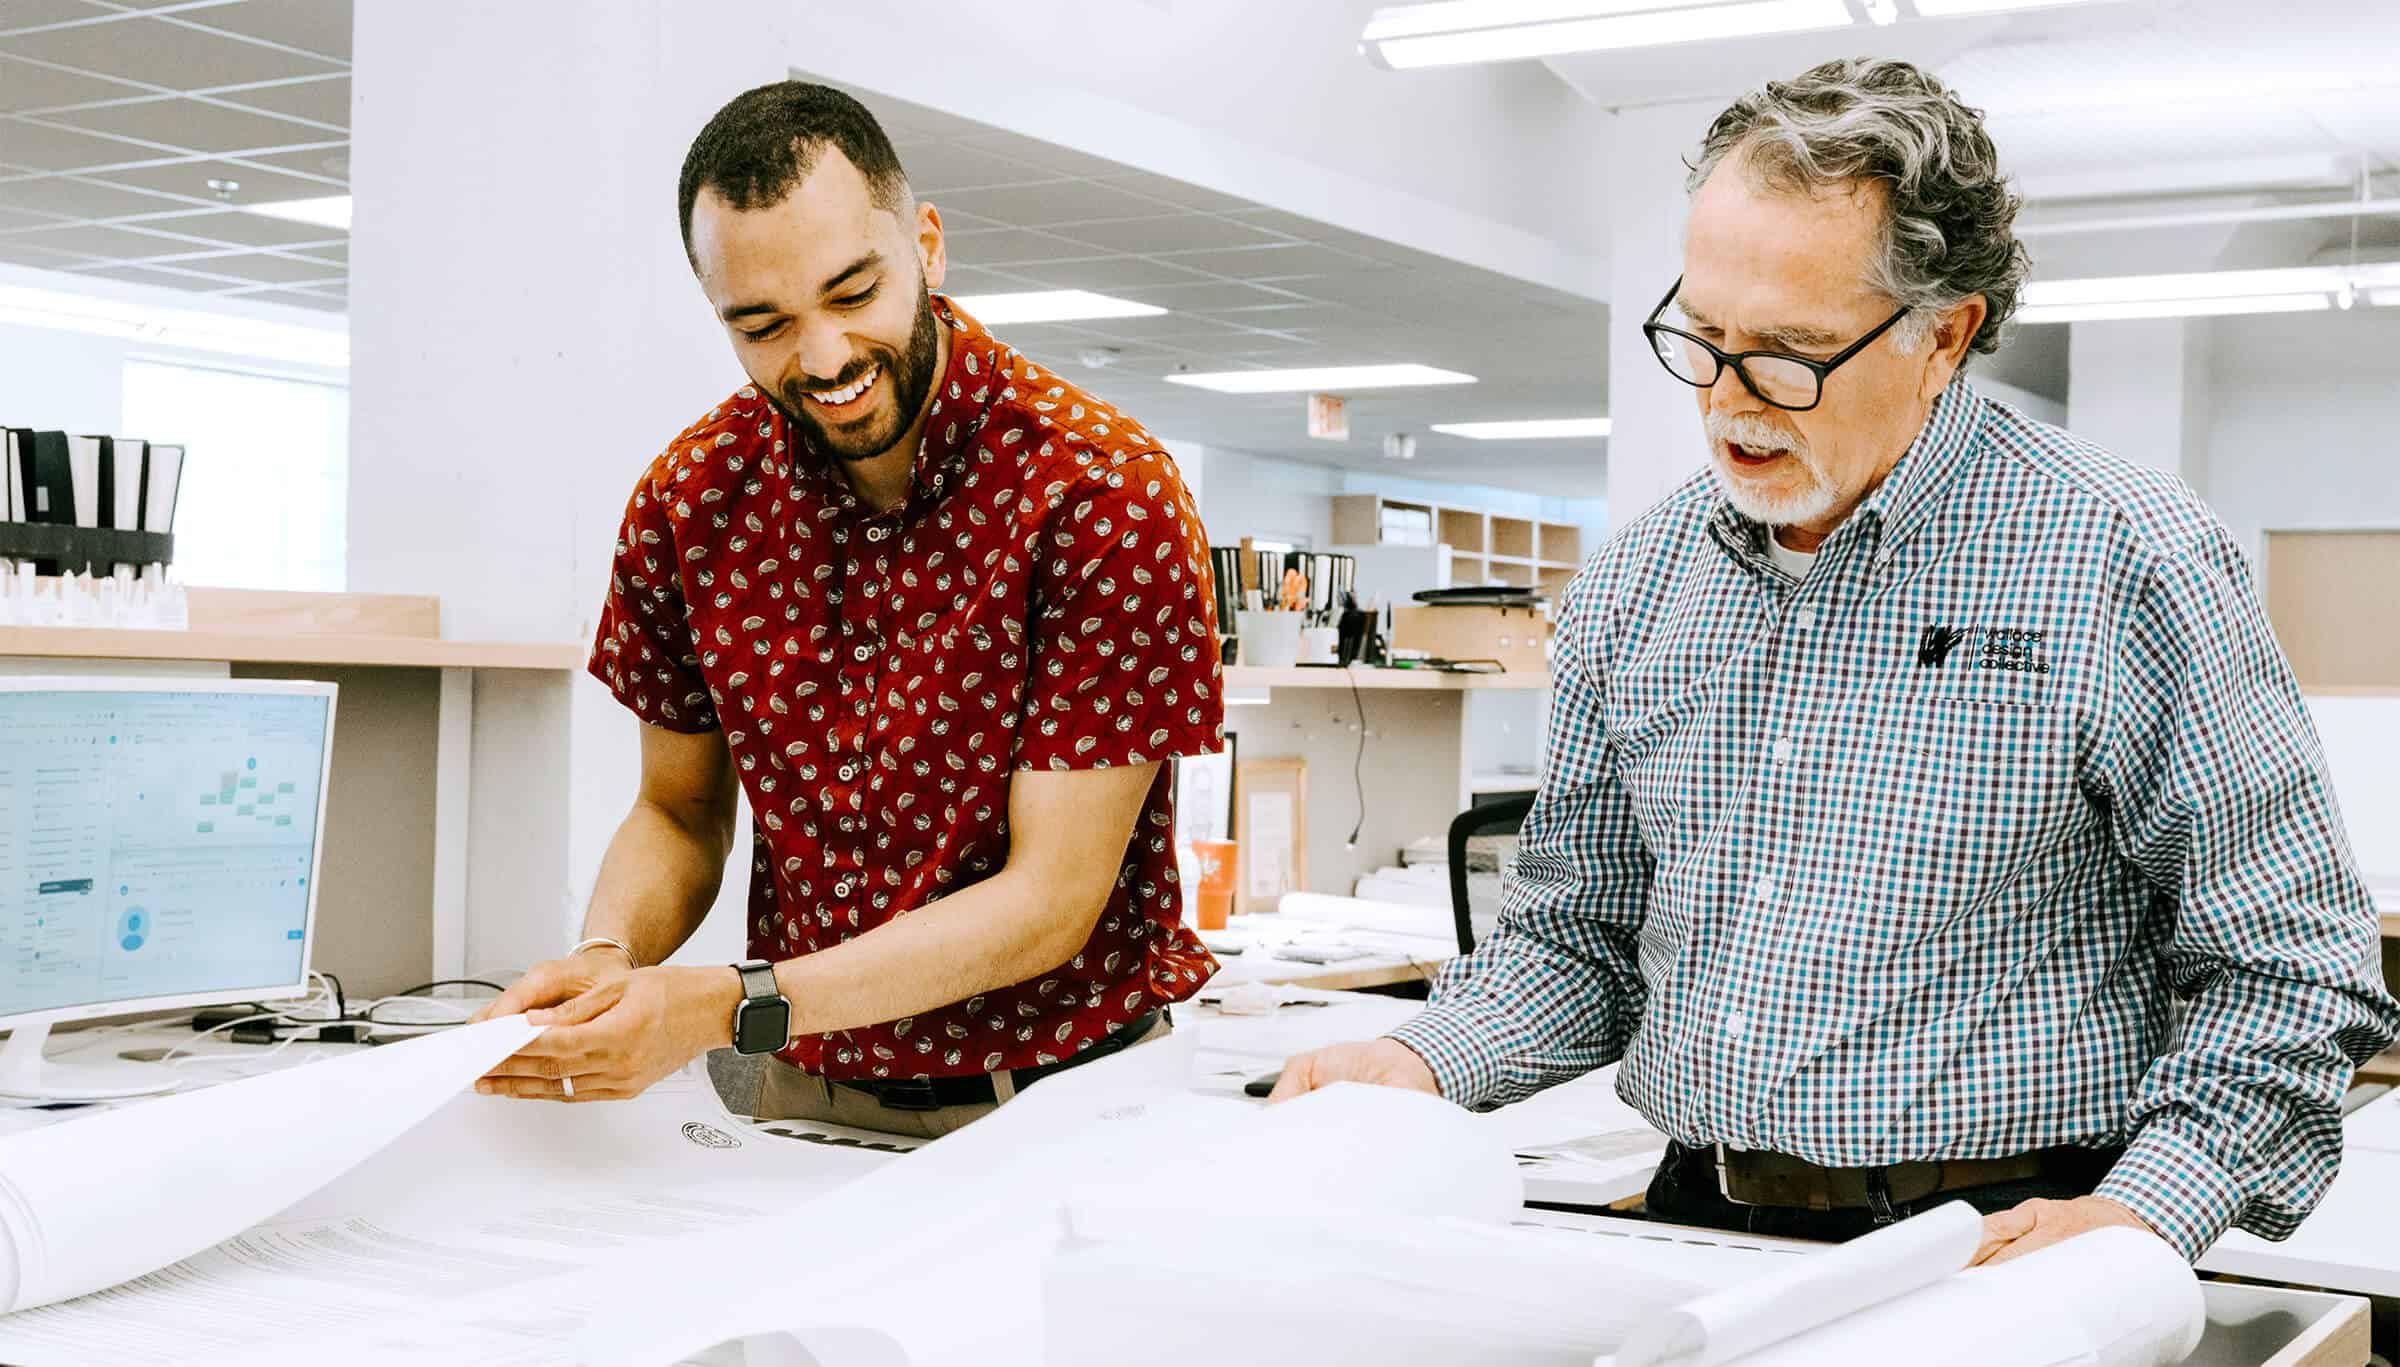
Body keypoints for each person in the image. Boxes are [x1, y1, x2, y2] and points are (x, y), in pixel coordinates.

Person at [1275, 58, 2398, 1268]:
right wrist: (1423, 1054)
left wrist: (2146, 1212)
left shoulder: (2126, 559)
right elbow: (1576, 935)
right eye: (1702, 336)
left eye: (1790, 352)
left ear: (1944, 334)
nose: (1728, 401)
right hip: (1700, 1221)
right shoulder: (1642, 579)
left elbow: (2288, 968)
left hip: (2009, 1237)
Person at [470, 81, 1224, 1138]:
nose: (822, 357)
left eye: (854, 291)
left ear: (927, 244)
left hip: (1060, 1109)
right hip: (802, 1101)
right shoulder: (691, 502)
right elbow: (679, 812)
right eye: (764, 324)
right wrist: (609, 953)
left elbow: (1051, 898)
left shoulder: (1101, 496)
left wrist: (729, 1002)